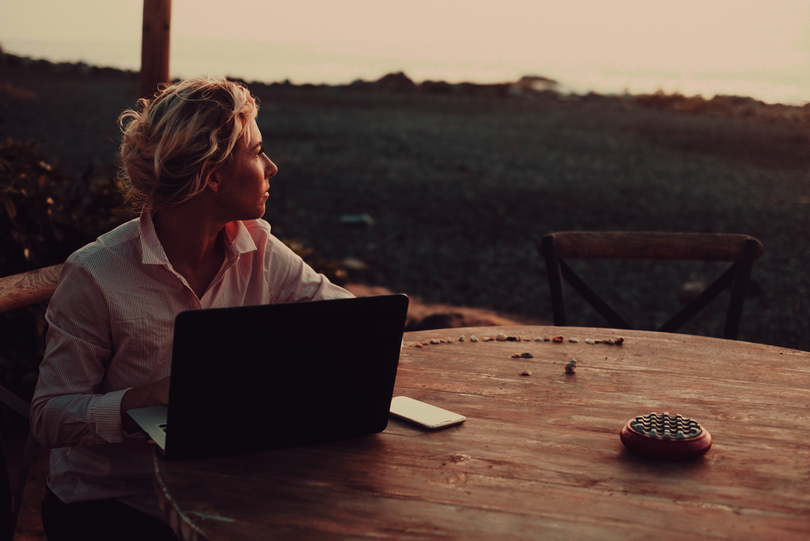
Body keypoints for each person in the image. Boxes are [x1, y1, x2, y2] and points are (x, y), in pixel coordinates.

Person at [30, 76, 353, 541]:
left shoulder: (257, 246)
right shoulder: (95, 274)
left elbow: (345, 319)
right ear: (212, 175)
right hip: (112, 501)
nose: (273, 166)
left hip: (219, 488)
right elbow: (49, 416)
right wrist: (141, 402)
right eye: (258, 151)